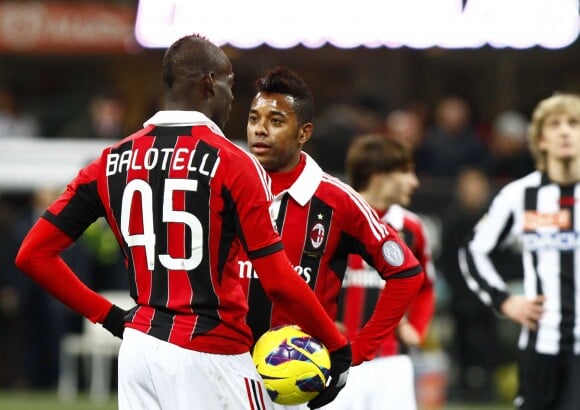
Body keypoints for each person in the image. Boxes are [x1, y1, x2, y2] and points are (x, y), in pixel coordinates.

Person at [15, 35, 352, 410]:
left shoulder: (110, 160)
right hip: (211, 351)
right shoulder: (235, 163)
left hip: (139, 352)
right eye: (230, 84)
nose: (232, 98)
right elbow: (277, 279)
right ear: (210, 83)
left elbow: (32, 254)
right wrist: (337, 347)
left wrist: (108, 316)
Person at [241, 66, 424, 409]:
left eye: (276, 121)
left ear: (303, 133)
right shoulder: (226, 187)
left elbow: (407, 273)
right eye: (253, 119)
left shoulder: (336, 201)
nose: (260, 130)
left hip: (298, 381)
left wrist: (360, 347)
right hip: (225, 370)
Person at [460, 93, 580, 410]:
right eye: (556, 125)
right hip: (540, 347)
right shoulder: (518, 195)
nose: (566, 132)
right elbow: (473, 252)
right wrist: (505, 300)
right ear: (541, 140)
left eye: (574, 123)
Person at [329, 134, 436, 410]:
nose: (414, 182)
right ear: (379, 177)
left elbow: (425, 286)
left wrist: (418, 329)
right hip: (333, 357)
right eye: (405, 172)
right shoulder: (330, 218)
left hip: (392, 364)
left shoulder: (411, 228)